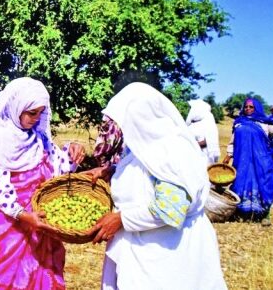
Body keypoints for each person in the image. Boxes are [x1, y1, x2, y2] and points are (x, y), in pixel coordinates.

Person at [85, 82, 227, 290]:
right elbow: (146, 172)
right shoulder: (146, 146)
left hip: (167, 257)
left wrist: (121, 219)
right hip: (146, 250)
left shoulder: (171, 151)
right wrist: (113, 170)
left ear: (139, 118)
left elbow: (171, 208)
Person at [0, 77, 85, 289]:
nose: (36, 118)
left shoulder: (37, 138)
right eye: (32, 113)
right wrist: (24, 216)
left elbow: (56, 168)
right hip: (4, 227)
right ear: (16, 107)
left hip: (34, 225)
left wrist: (72, 152)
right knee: (1, 280)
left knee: (33, 277)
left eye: (41, 113)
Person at [222, 98, 273, 225]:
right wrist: (228, 156)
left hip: (261, 160)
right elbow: (233, 142)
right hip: (242, 160)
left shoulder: (264, 124)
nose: (248, 109)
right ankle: (240, 213)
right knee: (240, 182)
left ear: (257, 108)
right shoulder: (239, 123)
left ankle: (264, 215)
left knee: (264, 183)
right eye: (246, 107)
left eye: (251, 107)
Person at [185, 99, 221, 165]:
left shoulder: (208, 123)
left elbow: (208, 142)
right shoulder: (192, 123)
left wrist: (190, 145)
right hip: (190, 156)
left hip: (203, 158)